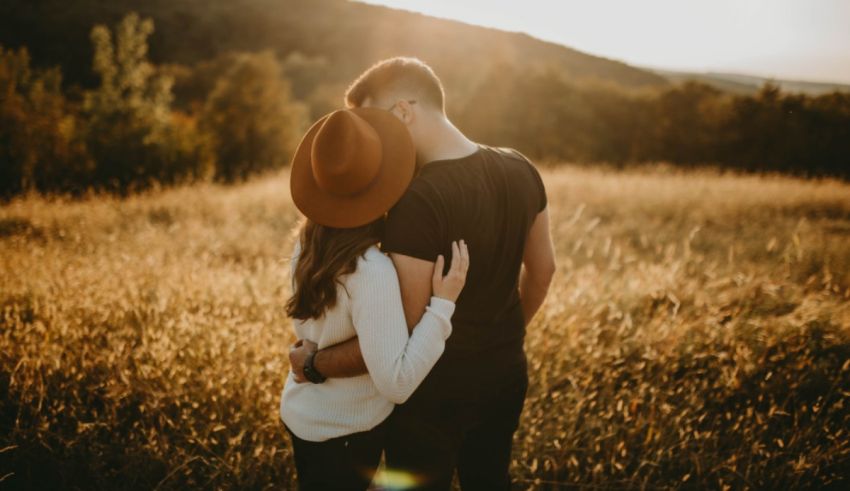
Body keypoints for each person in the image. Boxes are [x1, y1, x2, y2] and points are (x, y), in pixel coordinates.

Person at [289, 57, 556, 490]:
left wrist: (314, 363)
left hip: (433, 396)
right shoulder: (521, 167)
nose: (371, 140)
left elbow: (398, 335)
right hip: (507, 373)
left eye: (372, 120)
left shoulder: (416, 201)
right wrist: (499, 338)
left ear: (403, 112)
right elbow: (544, 272)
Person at [279, 105, 470, 490]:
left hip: (304, 414)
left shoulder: (306, 244)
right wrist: (443, 304)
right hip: (343, 431)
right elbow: (397, 383)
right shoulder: (370, 271)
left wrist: (312, 362)